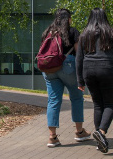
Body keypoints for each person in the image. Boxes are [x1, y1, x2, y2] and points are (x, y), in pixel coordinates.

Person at [76, 8, 113, 154]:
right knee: (110, 104)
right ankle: (102, 132)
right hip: (106, 69)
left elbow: (79, 59)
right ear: (105, 17)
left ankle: (100, 142)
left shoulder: (84, 34)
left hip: (88, 71)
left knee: (98, 104)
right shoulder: (112, 33)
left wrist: (80, 81)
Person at [41, 8, 91, 148]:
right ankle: (79, 132)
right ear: (68, 19)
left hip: (49, 69)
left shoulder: (47, 32)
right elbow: (79, 53)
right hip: (67, 66)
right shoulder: (72, 31)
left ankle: (52, 137)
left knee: (53, 100)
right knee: (76, 98)